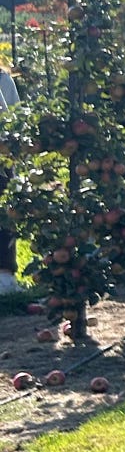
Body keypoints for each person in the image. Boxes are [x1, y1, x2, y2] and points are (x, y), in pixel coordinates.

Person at [0, 60, 19, 293]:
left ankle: (4, 275)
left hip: (2, 161)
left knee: (5, 217)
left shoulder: (4, 80)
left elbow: (12, 121)